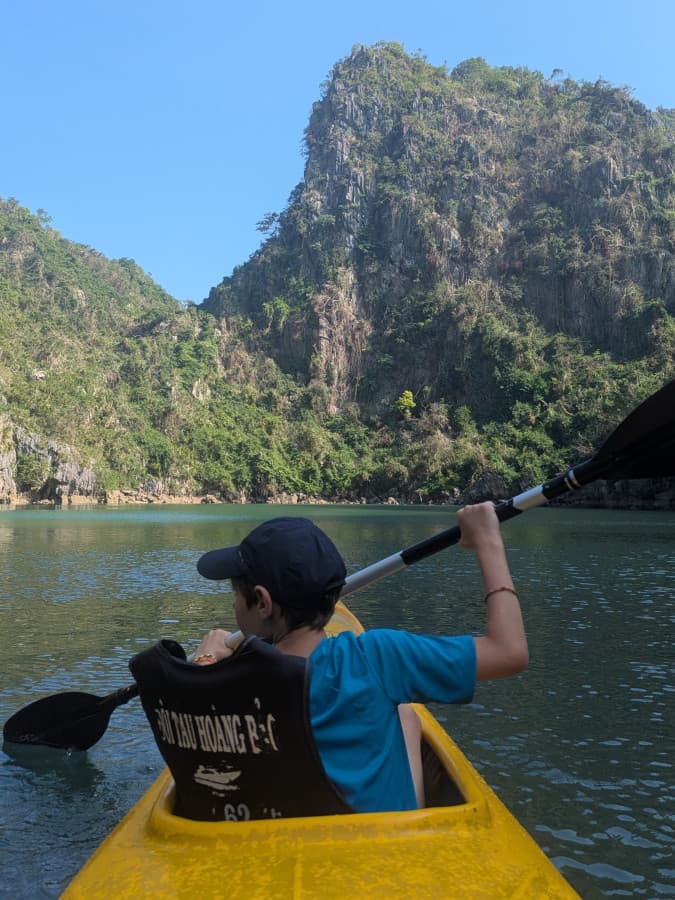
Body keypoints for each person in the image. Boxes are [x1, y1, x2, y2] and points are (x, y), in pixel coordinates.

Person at [130, 502, 527, 821]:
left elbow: (198, 707)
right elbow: (509, 652)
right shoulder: (376, 657)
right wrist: (489, 542)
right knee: (405, 712)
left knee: (404, 715)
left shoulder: (222, 682)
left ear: (263, 603)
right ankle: (411, 820)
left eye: (236, 594)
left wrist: (206, 660)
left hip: (268, 844)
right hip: (380, 853)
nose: (233, 604)